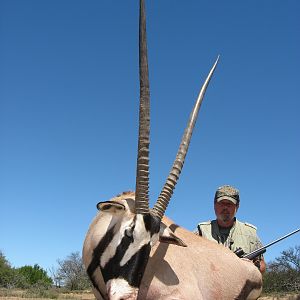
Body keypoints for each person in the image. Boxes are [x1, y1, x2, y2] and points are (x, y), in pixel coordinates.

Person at [195, 185, 266, 273]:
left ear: (237, 206)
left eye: (229, 204)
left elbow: (262, 265)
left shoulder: (250, 233)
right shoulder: (201, 231)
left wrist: (251, 266)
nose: (225, 208)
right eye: (221, 203)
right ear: (214, 205)